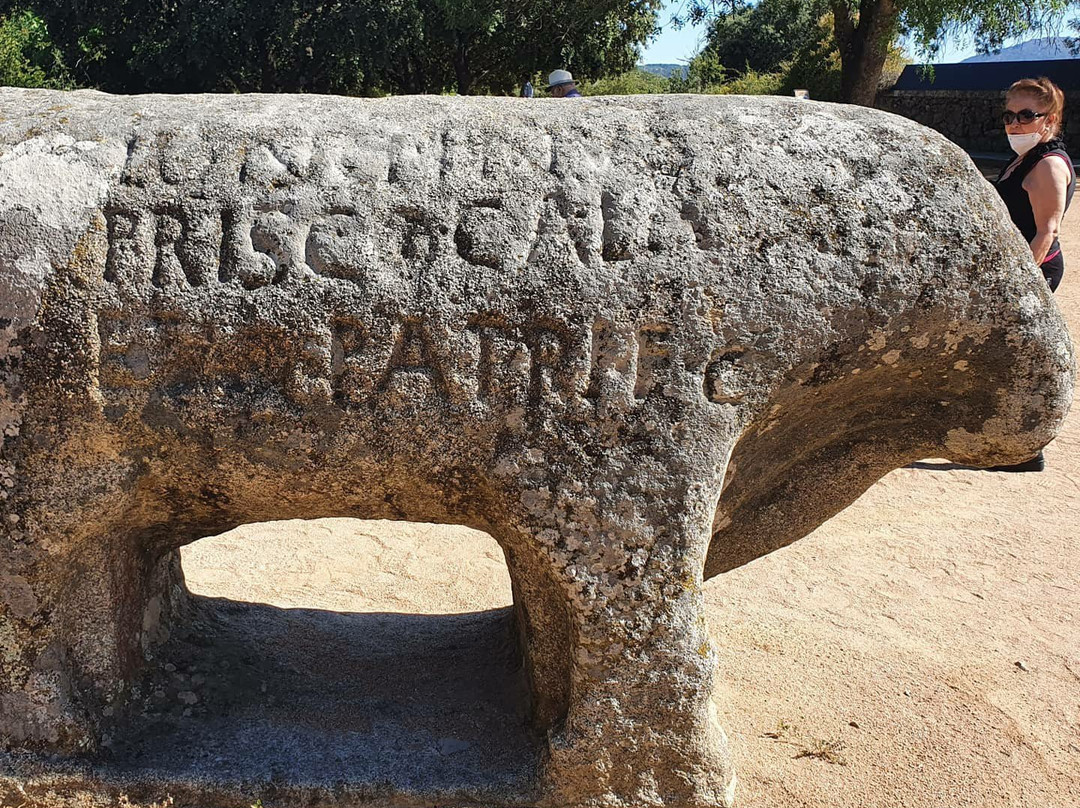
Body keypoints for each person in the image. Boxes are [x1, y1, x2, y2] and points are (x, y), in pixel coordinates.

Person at [991, 76, 1075, 472]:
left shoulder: (1048, 165)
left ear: (1050, 118)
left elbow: (1047, 231)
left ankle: (1025, 450)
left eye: (1027, 115)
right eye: (1010, 115)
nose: (1015, 123)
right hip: (1016, 267)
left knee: (1011, 356)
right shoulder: (1025, 158)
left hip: (1033, 266)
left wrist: (1018, 284)